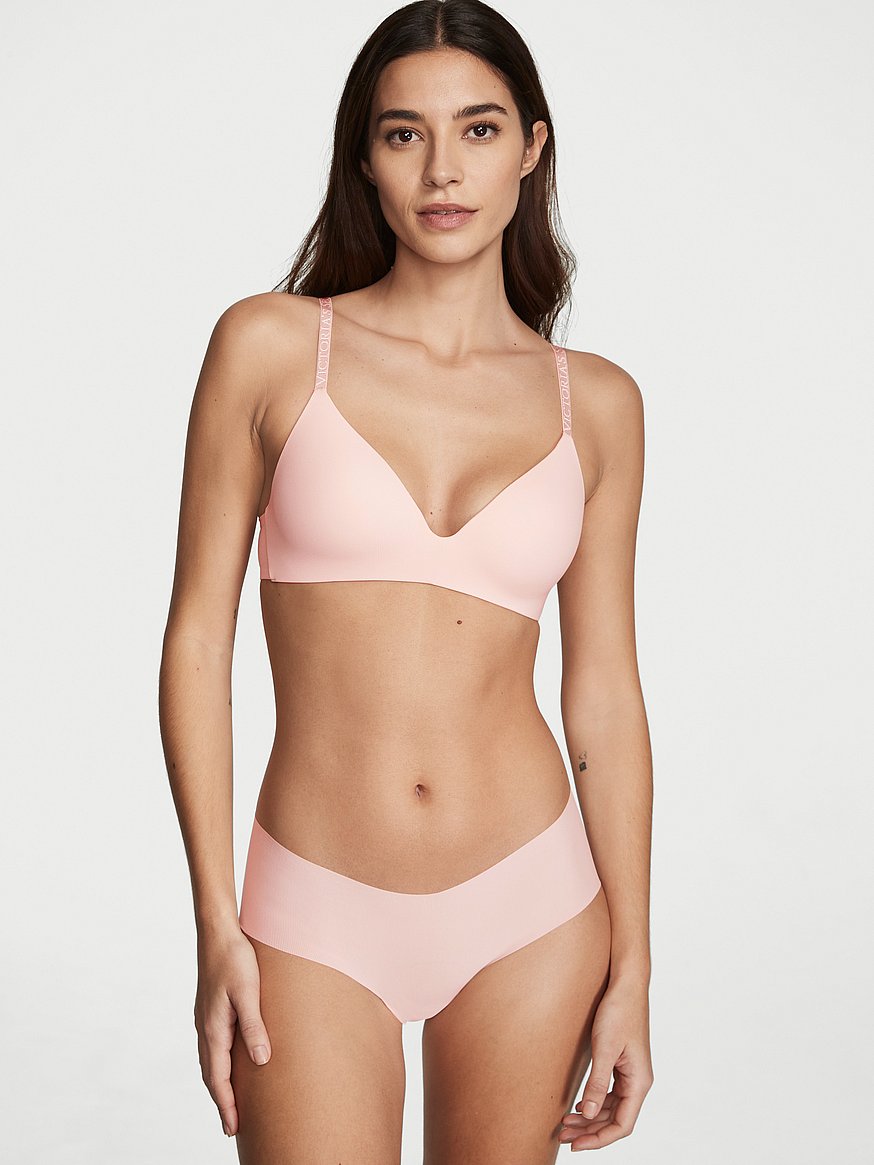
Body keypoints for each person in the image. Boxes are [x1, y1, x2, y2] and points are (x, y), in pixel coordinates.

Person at [158, 1, 654, 1160]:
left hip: (535, 902)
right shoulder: (271, 347)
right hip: (313, 902)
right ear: (365, 157)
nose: (442, 170)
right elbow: (196, 642)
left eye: (478, 129)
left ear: (530, 148)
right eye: (402, 134)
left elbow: (604, 693)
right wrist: (215, 924)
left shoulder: (598, 404)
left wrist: (633, 958)